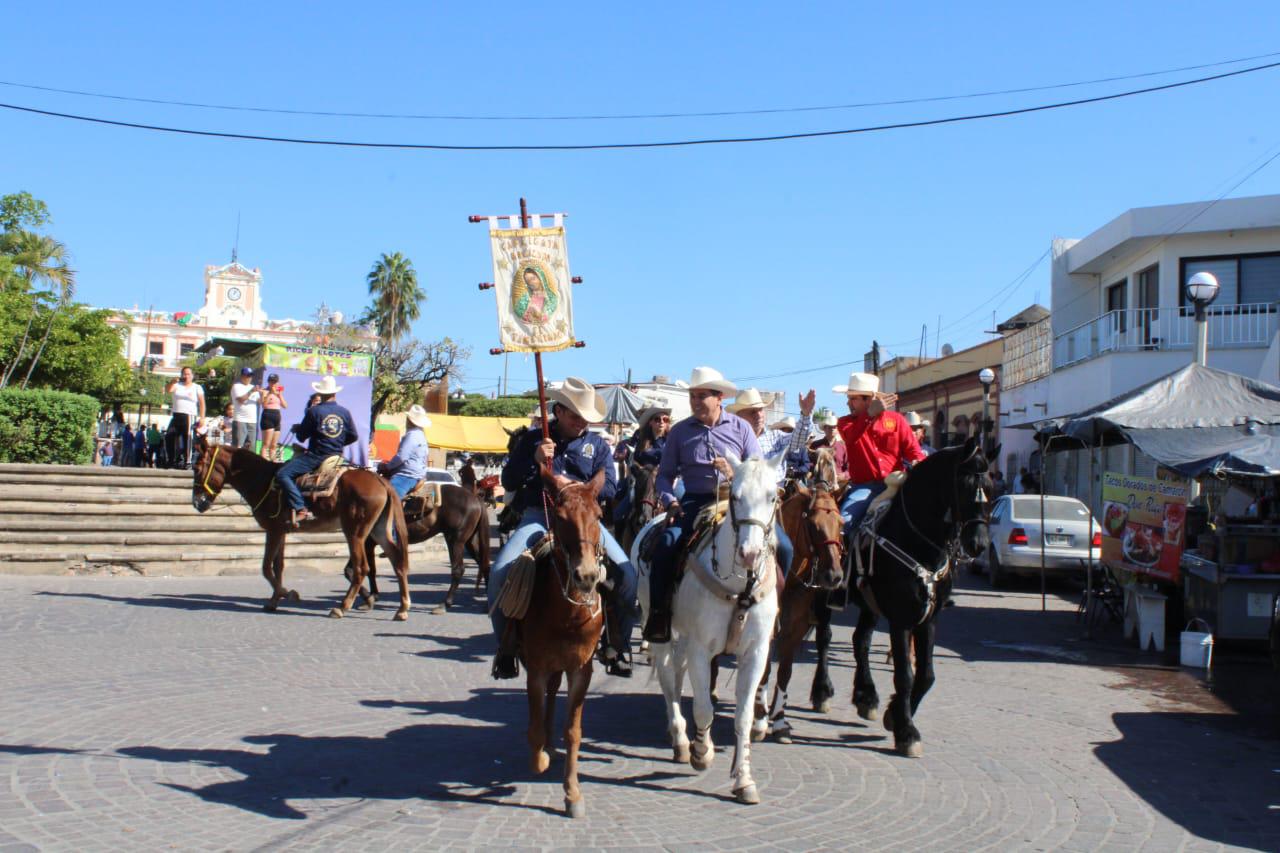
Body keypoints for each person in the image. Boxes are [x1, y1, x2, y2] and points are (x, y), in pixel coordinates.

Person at [489, 377, 638, 679]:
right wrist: (533, 461)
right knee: (500, 572)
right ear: (558, 411)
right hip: (539, 517)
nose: (581, 422)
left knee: (628, 574)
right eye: (575, 415)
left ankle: (618, 645)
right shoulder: (533, 440)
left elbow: (610, 485)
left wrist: (577, 488)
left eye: (585, 417)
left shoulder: (596, 444)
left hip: (583, 520)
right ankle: (506, 647)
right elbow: (509, 481)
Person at [644, 366, 761, 644]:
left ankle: (774, 609)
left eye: (702, 396)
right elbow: (664, 476)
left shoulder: (741, 428)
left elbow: (756, 470)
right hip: (696, 501)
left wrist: (734, 473)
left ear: (719, 397)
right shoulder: (680, 432)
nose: (696, 401)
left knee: (785, 546)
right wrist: (670, 500)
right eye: (692, 396)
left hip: (738, 502)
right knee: (666, 545)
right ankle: (659, 616)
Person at [726, 386, 817, 578]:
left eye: (760, 410)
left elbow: (798, 441)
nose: (758, 415)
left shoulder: (776, 437)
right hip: (740, 504)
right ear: (740, 416)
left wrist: (806, 414)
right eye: (752, 411)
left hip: (772, 503)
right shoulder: (732, 440)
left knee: (786, 548)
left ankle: (778, 590)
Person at [834, 371, 925, 542]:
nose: (848, 403)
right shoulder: (845, 422)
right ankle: (842, 567)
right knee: (842, 526)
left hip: (899, 484)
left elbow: (914, 451)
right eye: (849, 398)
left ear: (869, 400)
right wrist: (867, 416)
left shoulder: (897, 420)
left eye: (853, 398)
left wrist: (918, 461)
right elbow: (851, 437)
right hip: (864, 487)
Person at [275, 376, 358, 527]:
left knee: (283, 474)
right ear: (334, 393)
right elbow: (354, 436)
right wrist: (337, 442)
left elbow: (301, 437)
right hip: (337, 456)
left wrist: (298, 429)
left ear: (321, 393)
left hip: (316, 456)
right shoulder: (344, 412)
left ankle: (300, 507)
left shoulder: (314, 411)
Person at [379, 405, 431, 498]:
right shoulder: (421, 435)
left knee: (390, 499)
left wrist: (387, 466)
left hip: (406, 476)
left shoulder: (412, 435)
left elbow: (402, 457)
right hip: (417, 474)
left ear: (409, 420)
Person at [164, 367, 205, 469]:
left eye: (188, 374)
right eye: (184, 374)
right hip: (176, 415)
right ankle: (171, 460)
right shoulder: (177, 385)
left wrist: (202, 417)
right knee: (169, 435)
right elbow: (167, 389)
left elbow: (202, 403)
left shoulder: (197, 387)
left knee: (188, 437)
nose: (186, 376)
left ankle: (188, 461)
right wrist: (172, 382)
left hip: (189, 415)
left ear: (192, 376)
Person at [230, 367, 261, 451]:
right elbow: (240, 400)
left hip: (252, 421)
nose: (249, 378)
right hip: (240, 420)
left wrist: (265, 394)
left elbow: (260, 402)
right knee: (238, 446)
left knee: (251, 447)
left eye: (251, 376)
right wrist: (251, 391)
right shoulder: (236, 386)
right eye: (247, 375)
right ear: (242, 376)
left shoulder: (253, 387)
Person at [259, 373, 287, 461]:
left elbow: (285, 406)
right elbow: (264, 405)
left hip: (277, 416)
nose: (273, 384)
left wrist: (280, 395)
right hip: (268, 416)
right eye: (271, 381)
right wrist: (270, 393)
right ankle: (263, 463)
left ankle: (273, 463)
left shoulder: (279, 392)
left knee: (274, 445)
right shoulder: (264, 391)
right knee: (266, 444)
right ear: (268, 382)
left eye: (275, 382)